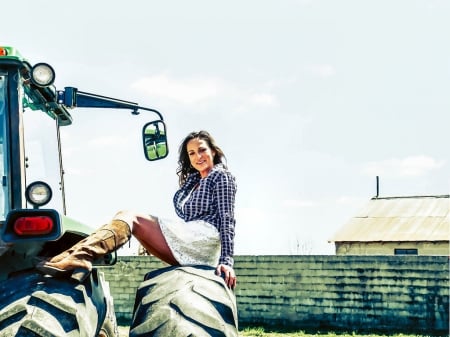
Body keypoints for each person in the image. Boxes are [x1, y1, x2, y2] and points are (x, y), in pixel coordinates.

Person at [37, 130, 238, 289]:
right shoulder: (194, 181)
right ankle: (75, 255)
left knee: (130, 216)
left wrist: (227, 261)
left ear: (213, 151)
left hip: (204, 238)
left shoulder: (220, 177)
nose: (198, 156)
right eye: (191, 153)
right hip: (191, 235)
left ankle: (80, 257)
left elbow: (227, 219)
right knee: (125, 217)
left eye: (202, 150)